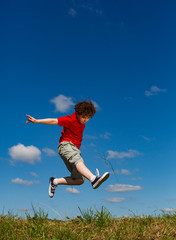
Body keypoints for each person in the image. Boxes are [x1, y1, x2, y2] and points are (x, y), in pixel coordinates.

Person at [26, 100, 109, 198]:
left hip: (74, 149)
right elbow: (54, 121)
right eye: (83, 117)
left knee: (79, 180)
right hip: (66, 145)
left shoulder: (82, 124)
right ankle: (93, 179)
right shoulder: (71, 119)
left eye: (87, 118)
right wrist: (37, 121)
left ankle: (54, 181)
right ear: (78, 113)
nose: (85, 120)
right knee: (78, 161)